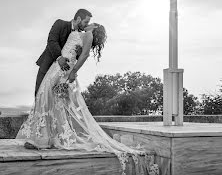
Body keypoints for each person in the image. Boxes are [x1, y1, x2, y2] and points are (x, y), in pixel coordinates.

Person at [17, 21, 160, 175]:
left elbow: (84, 55)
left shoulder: (88, 34)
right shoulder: (84, 35)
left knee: (47, 96)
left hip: (63, 69)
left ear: (95, 28)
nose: (89, 23)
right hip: (60, 67)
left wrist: (73, 72)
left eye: (92, 23)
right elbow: (76, 52)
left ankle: (44, 139)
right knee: (52, 99)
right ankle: (47, 137)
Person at [34, 8, 92, 97]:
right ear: (79, 19)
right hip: (48, 64)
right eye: (86, 22)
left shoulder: (81, 36)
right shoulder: (60, 23)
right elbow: (52, 41)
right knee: (40, 95)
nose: (86, 25)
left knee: (58, 98)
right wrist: (59, 57)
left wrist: (79, 52)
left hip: (64, 72)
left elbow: (78, 55)